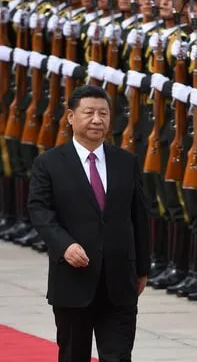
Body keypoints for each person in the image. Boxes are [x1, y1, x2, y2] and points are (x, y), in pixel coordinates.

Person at [27, 85, 151, 362]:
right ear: (71, 117)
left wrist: (143, 268)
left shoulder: (126, 161)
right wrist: (64, 245)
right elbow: (39, 211)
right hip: (73, 280)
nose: (97, 120)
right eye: (89, 113)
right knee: (73, 355)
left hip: (119, 281)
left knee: (118, 356)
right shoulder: (49, 163)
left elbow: (139, 217)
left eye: (103, 113)